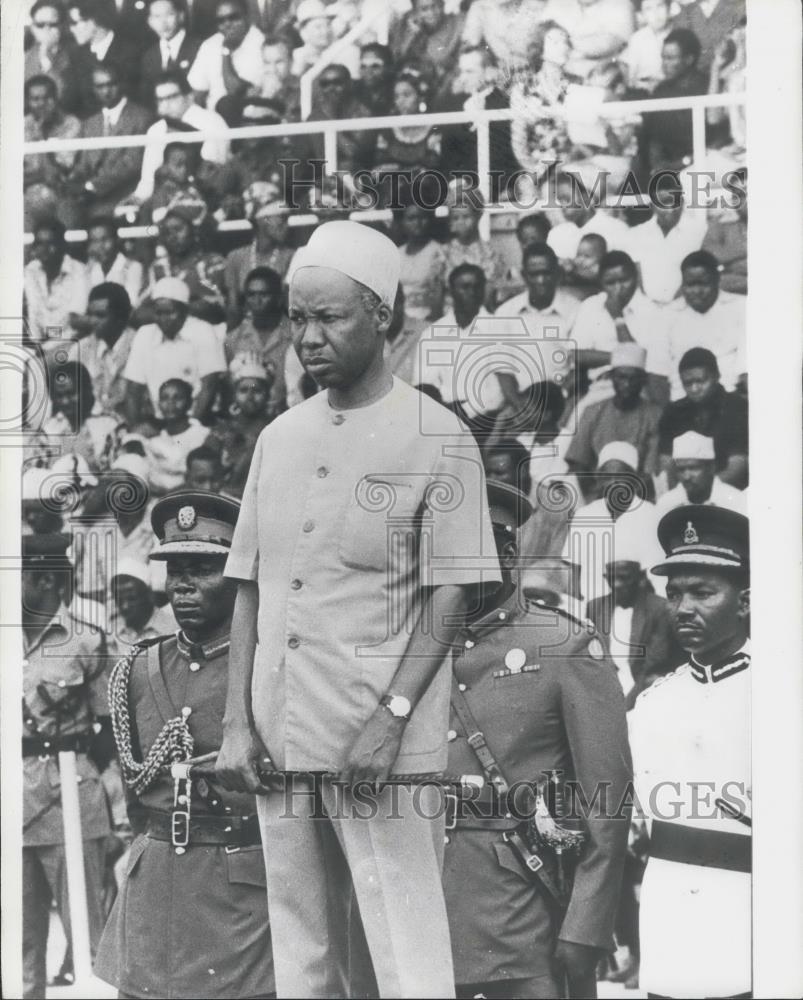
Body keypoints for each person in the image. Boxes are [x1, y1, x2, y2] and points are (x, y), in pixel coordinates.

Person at [214, 220, 500, 998]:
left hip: (380, 741)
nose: (307, 337)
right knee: (301, 955)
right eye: (297, 318)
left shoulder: (435, 436)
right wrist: (238, 721)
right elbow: (248, 585)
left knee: (405, 955)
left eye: (329, 317)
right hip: (279, 737)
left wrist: (392, 715)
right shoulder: (277, 436)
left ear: (383, 316)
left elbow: (454, 592)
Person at [443, 478, 632, 999]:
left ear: (507, 551)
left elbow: (608, 803)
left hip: (524, 914)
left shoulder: (563, 645)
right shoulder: (423, 647)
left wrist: (584, 931)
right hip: (429, 903)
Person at [94, 491, 275, 999]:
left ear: (238, 578)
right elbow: (137, 793)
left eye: (202, 570)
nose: (183, 587)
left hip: (239, 899)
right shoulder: (138, 668)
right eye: (175, 571)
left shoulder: (266, 668)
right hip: (155, 890)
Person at [629, 504, 751, 998]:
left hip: (750, 914)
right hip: (671, 914)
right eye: (674, 593)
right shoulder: (654, 702)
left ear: (744, 602)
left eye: (703, 593)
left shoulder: (783, 690)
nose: (683, 608)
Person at [22, 532, 114, 1000]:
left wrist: (77, 767)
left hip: (69, 798)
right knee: (20, 941)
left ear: (42, 582)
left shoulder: (86, 640)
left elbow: (109, 728)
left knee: (86, 936)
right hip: (13, 803)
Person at [564, 441, 661, 608]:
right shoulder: (585, 515)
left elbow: (654, 575)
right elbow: (573, 571)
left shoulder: (651, 515)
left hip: (636, 609)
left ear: (636, 481)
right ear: (599, 481)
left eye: (621, 477)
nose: (613, 483)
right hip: (590, 609)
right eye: (607, 477)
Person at [571, 250, 671, 406]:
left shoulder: (652, 312)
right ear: (601, 283)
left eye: (624, 280)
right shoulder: (591, 305)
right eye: (610, 283)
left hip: (639, 390)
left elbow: (640, 364)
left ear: (635, 278)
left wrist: (617, 317)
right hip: (600, 386)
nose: (618, 288)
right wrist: (621, 358)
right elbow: (576, 354)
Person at [587, 548, 685, 708]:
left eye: (624, 578)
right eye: (611, 578)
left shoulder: (659, 608)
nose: (617, 584)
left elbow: (655, 661)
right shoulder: (595, 607)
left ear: (639, 577)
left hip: (644, 682)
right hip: (606, 683)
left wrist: (628, 703)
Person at [123, 277, 227, 426]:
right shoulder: (145, 334)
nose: (164, 319)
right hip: (158, 422)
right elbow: (133, 391)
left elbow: (209, 386)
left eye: (170, 312)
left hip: (199, 420)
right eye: (159, 313)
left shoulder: (203, 331)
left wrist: (191, 429)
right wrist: (136, 429)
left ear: (185, 310)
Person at [414, 263, 498, 422]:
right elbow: (424, 384)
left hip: (484, 419)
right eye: (465, 287)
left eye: (477, 287)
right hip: (440, 417)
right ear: (451, 291)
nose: (472, 292)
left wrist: (464, 411)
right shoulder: (433, 334)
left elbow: (498, 391)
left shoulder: (498, 329)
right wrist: (445, 413)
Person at [133, 70, 230, 204]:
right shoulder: (156, 129)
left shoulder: (211, 122)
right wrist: (136, 200)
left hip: (204, 197)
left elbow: (211, 175)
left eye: (171, 97)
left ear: (189, 96)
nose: (165, 105)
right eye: (160, 100)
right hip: (163, 199)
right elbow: (148, 180)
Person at [657, 347, 748, 489]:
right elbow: (666, 464)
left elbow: (738, 465)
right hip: (684, 493)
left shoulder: (737, 407)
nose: (694, 388)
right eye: (688, 383)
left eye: (700, 381)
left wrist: (703, 491)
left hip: (729, 493)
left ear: (717, 375)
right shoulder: (673, 412)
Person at [565, 343, 662, 476]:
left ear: (643, 380)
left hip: (638, 488)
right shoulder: (592, 411)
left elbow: (649, 471)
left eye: (633, 379)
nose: (627, 384)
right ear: (611, 377)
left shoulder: (654, 415)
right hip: (595, 488)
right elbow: (577, 462)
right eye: (621, 377)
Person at [73, 65, 154, 220]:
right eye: (100, 86)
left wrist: (91, 187)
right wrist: (74, 180)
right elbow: (84, 163)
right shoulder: (90, 123)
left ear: (121, 84)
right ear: (93, 89)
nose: (106, 91)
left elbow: (132, 164)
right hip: (91, 197)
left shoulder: (141, 118)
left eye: (111, 84)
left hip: (126, 193)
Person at [495, 242, 580, 388]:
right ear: (524, 276)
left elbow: (579, 369)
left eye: (546, 273)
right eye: (534, 274)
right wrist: (521, 405)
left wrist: (560, 398)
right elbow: (502, 369)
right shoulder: (505, 313)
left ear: (557, 274)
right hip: (520, 401)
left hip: (563, 399)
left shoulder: (576, 310)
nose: (541, 280)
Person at [664, 250, 746, 399]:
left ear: (717, 279)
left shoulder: (742, 308)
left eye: (703, 283)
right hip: (681, 405)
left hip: (729, 402)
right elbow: (657, 374)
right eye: (690, 284)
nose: (697, 291)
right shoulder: (667, 315)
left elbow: (747, 372)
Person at [625, 171, 706, 304]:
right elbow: (636, 277)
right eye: (664, 202)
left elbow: (697, 277)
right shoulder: (637, 234)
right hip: (646, 309)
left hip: (685, 307)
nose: (671, 209)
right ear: (652, 206)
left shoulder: (699, 231)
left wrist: (673, 305)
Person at [142, 207, 228, 325]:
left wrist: (169, 311)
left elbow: (216, 308)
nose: (172, 236)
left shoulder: (213, 263)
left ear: (193, 230)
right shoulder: (158, 267)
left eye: (178, 229)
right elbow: (139, 312)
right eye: (167, 232)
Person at [205, 356, 275, 495]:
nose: (250, 396)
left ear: (267, 395)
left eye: (257, 390)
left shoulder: (275, 430)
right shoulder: (221, 430)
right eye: (243, 390)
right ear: (234, 395)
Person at [641, 28, 708, 171]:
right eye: (663, 58)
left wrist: (680, 164)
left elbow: (713, 141)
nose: (664, 64)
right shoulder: (661, 90)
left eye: (670, 58)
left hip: (697, 167)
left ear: (688, 59)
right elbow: (652, 139)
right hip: (662, 170)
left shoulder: (707, 87)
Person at [23, 75, 83, 230]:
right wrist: (40, 176)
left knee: (68, 212)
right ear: (28, 102)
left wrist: (43, 133)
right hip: (26, 195)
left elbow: (60, 171)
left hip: (61, 194)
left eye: (47, 98)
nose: (41, 104)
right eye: (35, 99)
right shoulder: (21, 126)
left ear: (56, 99)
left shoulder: (71, 124)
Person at [187, 0, 266, 114]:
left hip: (248, 120)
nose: (227, 24)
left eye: (233, 17)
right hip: (213, 121)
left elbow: (235, 92)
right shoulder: (210, 45)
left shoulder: (261, 43)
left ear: (247, 16)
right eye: (221, 20)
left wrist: (226, 51)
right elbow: (197, 93)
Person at [23, 218, 90, 348]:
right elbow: (34, 312)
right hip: (40, 345)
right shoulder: (32, 270)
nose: (44, 249)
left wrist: (47, 345)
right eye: (39, 244)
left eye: (50, 243)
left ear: (62, 246)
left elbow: (75, 321)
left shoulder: (79, 271)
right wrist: (37, 345)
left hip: (71, 344)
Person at [67, 0, 141, 116]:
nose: (71, 29)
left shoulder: (131, 52)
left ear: (95, 20)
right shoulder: (76, 56)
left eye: (75, 23)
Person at [224, 201, 294, 323]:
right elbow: (233, 308)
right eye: (282, 220)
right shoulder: (235, 257)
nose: (286, 226)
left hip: (282, 327)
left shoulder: (291, 256)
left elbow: (291, 306)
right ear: (262, 221)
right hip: (246, 329)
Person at [77, 282, 138, 419]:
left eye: (100, 316)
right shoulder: (82, 348)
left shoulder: (139, 346)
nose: (92, 321)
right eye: (90, 314)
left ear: (120, 318)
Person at [142, 378, 211, 494]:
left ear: (189, 403)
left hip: (189, 496)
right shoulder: (153, 438)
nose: (170, 403)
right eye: (165, 398)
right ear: (158, 403)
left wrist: (167, 494)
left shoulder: (203, 434)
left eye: (177, 398)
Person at [546, 172, 630, 265]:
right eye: (560, 200)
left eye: (566, 199)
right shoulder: (556, 234)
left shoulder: (616, 229)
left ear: (586, 197)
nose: (562, 205)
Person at [390, 0, 464, 104]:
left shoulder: (457, 24)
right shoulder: (405, 27)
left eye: (435, 6)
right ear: (415, 12)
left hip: (446, 90)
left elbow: (445, 59)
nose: (431, 13)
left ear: (442, 5)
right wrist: (413, 35)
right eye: (424, 9)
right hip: (415, 92)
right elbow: (397, 61)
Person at [656, 431, 745, 515]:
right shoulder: (666, 504)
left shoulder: (734, 501)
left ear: (711, 468)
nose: (687, 477)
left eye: (693, 468)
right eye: (681, 470)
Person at [443, 185, 502, 311]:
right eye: (456, 218)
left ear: (478, 216)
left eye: (466, 217)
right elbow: (437, 294)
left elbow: (490, 293)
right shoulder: (443, 253)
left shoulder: (490, 252)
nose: (461, 222)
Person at [542, 0, 635, 79]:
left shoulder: (621, 4)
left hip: (602, 76)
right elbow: (539, 35)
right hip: (555, 74)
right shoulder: (556, 3)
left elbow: (608, 43)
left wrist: (564, 43)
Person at [461, 0, 553, 79]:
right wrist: (486, 65)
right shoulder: (480, 8)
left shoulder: (539, 7)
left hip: (542, 72)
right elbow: (469, 46)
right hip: (503, 75)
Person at [138, 0, 203, 109]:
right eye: (157, 17)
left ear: (181, 16)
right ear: (150, 22)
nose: (163, 22)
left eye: (169, 15)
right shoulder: (149, 56)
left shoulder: (199, 47)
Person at [25, 1, 82, 116]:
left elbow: (68, 100)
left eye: (53, 24)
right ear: (32, 28)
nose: (46, 29)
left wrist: (48, 64)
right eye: (40, 25)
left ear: (61, 26)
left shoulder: (76, 55)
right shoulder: (25, 58)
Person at [396, 202, 447, 326]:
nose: (417, 223)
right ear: (402, 222)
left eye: (422, 218)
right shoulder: (397, 253)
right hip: (399, 322)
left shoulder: (438, 252)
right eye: (411, 219)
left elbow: (438, 300)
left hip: (427, 320)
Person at [110, 557, 177, 647]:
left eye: (131, 599)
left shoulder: (173, 629)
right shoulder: (111, 631)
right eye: (119, 600)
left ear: (149, 595)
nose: (125, 606)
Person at [702, 167, 747, 294]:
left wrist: (729, 258)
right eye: (738, 195)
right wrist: (744, 248)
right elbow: (707, 255)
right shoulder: (723, 223)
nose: (743, 200)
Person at [671, 0, 746, 72]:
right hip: (692, 76)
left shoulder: (735, 10)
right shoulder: (686, 11)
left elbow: (739, 58)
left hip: (726, 74)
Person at [85, 218, 144, 306]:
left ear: (117, 240)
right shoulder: (90, 269)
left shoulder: (132, 267)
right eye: (95, 241)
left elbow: (131, 303)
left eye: (105, 240)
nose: (100, 246)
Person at [622, 0, 671, 91]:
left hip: (670, 89)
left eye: (660, 6)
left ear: (668, 8)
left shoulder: (676, 33)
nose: (656, 13)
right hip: (643, 90)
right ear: (642, 15)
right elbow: (631, 78)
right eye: (649, 9)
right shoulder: (637, 38)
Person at [353, 42, 395, 117]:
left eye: (375, 66)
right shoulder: (354, 93)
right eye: (363, 66)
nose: (368, 72)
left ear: (389, 68)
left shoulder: (397, 93)